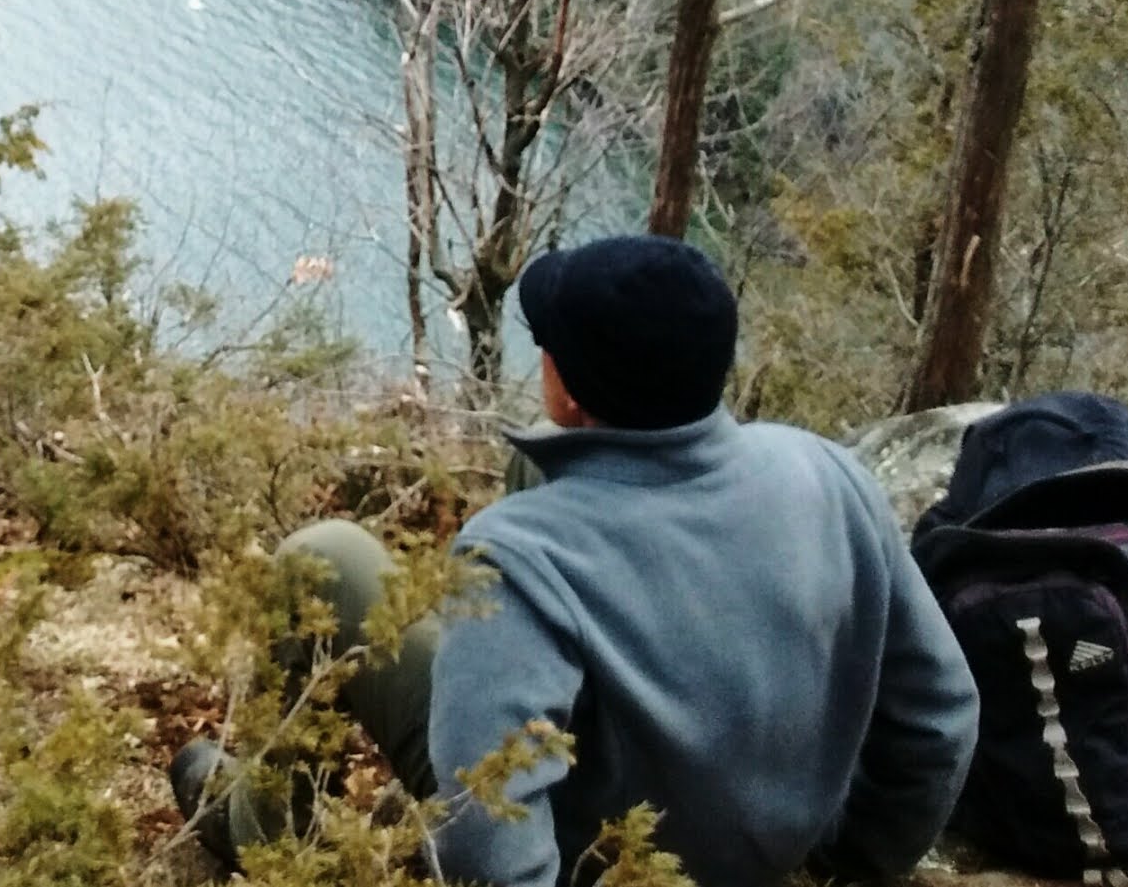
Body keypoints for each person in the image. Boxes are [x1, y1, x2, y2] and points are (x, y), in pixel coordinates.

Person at [171, 234, 979, 885]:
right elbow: (941, 713)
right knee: (537, 471)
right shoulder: (829, 473)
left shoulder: (521, 555)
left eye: (544, 343)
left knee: (327, 557)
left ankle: (266, 827)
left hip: (603, 859)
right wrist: (852, 860)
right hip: (763, 845)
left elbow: (489, 840)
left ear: (569, 389)